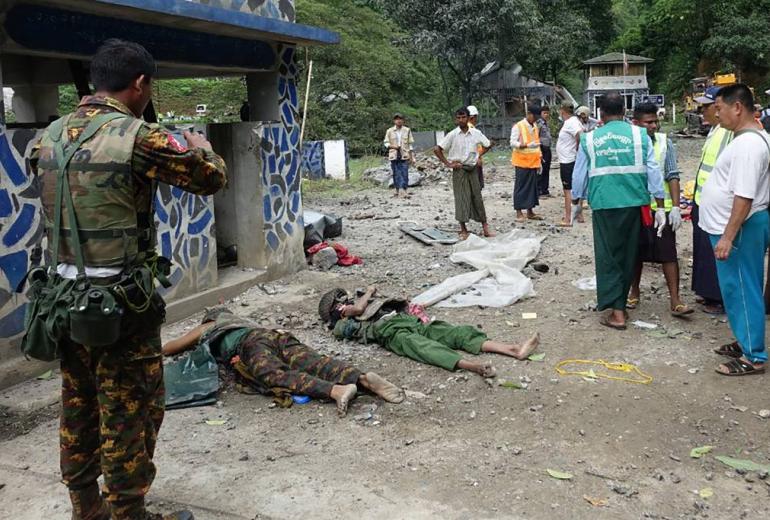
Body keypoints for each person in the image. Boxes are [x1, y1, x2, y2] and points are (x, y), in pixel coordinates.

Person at [30, 40, 227, 520]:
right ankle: (128, 513)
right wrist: (204, 149)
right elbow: (209, 180)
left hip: (63, 299)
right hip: (120, 307)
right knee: (128, 410)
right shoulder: (139, 136)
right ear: (140, 83)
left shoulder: (50, 136)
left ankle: (86, 507)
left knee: (78, 403)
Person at [162, 307, 404, 416]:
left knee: (275, 374)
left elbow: (171, 347)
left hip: (250, 344)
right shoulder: (241, 320)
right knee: (315, 362)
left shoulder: (213, 324)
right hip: (276, 336)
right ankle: (362, 378)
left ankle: (336, 390)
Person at [571, 93, 666, 330]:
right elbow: (653, 171)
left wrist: (575, 202)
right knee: (628, 254)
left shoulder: (590, 139)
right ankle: (620, 306)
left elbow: (579, 174)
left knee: (608, 256)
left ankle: (617, 312)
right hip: (633, 202)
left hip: (604, 204)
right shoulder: (639, 135)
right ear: (624, 111)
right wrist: (661, 205)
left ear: (600, 112)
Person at [699, 84, 770, 376]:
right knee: (738, 287)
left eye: (720, 108)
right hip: (740, 227)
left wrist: (728, 237)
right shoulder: (745, 139)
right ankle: (745, 341)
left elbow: (744, 196)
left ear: (737, 107)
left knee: (742, 288)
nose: (717, 113)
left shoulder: (748, 146)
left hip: (741, 229)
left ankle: (753, 356)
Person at [318, 287, 539, 378]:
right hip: (388, 332)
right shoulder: (341, 325)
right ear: (335, 312)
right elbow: (358, 309)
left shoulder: (353, 311)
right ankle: (474, 367)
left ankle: (513, 349)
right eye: (340, 303)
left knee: (451, 332)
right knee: (426, 348)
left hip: (401, 320)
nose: (344, 302)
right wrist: (368, 292)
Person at [626, 103, 693, 317]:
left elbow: (672, 175)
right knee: (635, 253)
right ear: (636, 123)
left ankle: (675, 300)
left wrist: (674, 207)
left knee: (668, 253)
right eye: (649, 122)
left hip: (660, 209)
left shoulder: (665, 143)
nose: (654, 125)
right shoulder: (629, 145)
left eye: (655, 121)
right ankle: (633, 291)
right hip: (636, 207)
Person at [691, 86, 732, 314]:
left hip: (718, 203)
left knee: (715, 250)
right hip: (703, 198)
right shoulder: (715, 130)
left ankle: (717, 297)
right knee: (703, 248)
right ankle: (706, 291)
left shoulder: (728, 131)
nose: (702, 111)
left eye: (705, 106)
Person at [434, 107, 494, 239]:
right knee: (461, 197)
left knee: (477, 197)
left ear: (468, 118)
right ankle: (463, 229)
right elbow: (437, 149)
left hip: (472, 169)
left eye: (463, 117)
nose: (461, 120)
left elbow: (489, 144)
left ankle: (485, 227)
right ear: (456, 119)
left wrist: (479, 155)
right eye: (458, 117)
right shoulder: (452, 134)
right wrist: (448, 164)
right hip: (459, 169)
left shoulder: (475, 133)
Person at [510, 104, 543, 222]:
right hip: (521, 162)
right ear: (529, 114)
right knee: (521, 187)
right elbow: (513, 142)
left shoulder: (534, 126)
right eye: (534, 117)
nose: (535, 120)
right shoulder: (518, 126)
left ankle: (530, 211)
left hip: (533, 162)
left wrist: (540, 160)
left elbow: (537, 144)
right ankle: (519, 211)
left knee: (532, 188)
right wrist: (527, 145)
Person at [555, 102, 586, 226]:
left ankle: (568, 219)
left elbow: (580, 135)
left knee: (568, 190)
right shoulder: (575, 121)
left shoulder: (571, 122)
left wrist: (578, 147)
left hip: (568, 160)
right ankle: (579, 215)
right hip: (569, 158)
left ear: (562, 111)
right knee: (575, 188)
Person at [383, 113, 415, 198]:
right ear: (394, 121)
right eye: (397, 119)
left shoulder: (407, 130)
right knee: (396, 172)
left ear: (403, 120)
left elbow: (410, 144)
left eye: (400, 119)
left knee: (405, 172)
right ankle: (397, 190)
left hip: (404, 154)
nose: (399, 120)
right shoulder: (389, 131)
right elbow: (386, 143)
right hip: (394, 154)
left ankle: (404, 190)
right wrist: (393, 146)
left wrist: (412, 157)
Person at [467, 105, 486, 189]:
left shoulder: (467, 128)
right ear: (472, 117)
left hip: (472, 160)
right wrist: (477, 158)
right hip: (474, 161)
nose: (476, 119)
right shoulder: (470, 129)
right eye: (476, 117)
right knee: (476, 186)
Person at [536, 106, 553, 198]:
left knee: (546, 169)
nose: (546, 115)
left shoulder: (546, 123)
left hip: (547, 148)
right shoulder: (539, 123)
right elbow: (536, 136)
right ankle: (539, 190)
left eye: (547, 113)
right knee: (541, 170)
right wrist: (539, 151)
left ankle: (545, 190)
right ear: (541, 114)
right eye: (544, 113)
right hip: (542, 148)